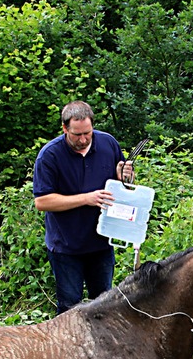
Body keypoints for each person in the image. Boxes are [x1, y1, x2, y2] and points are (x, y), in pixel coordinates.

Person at [33, 101, 133, 314]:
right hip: (66, 247)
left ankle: (100, 347)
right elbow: (42, 202)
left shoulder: (108, 144)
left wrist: (125, 178)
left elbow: (123, 185)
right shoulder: (49, 155)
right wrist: (85, 198)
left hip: (101, 242)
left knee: (104, 306)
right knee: (70, 309)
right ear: (64, 129)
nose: (83, 139)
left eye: (88, 133)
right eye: (77, 135)